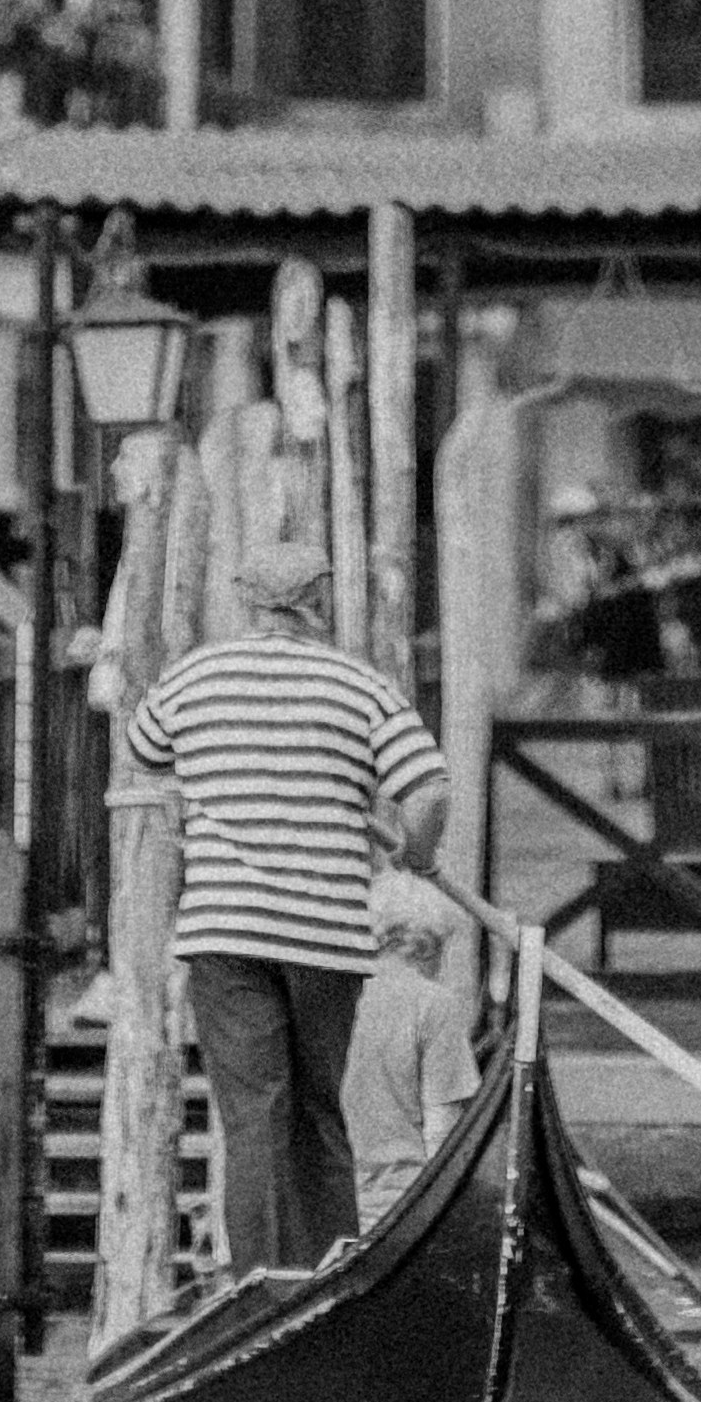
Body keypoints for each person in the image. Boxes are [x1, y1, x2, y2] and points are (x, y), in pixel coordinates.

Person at [120, 499, 447, 1272]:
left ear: (244, 601)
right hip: (327, 933)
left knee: (254, 1119)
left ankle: (262, 1285)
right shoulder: (357, 686)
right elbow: (429, 791)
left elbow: (144, 752)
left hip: (224, 930)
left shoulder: (194, 675)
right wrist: (416, 857)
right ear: (319, 601)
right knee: (317, 1113)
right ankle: (332, 1270)